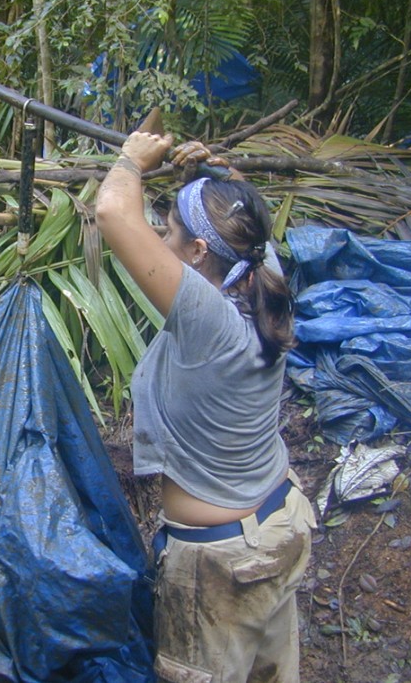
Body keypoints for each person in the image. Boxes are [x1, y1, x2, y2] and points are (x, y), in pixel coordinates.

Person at [95, 133, 317, 683]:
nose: (161, 241)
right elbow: (241, 216)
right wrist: (208, 174)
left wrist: (131, 160)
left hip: (221, 564)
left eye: (169, 232)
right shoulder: (264, 277)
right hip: (279, 522)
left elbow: (111, 212)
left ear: (198, 252)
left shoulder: (207, 318)